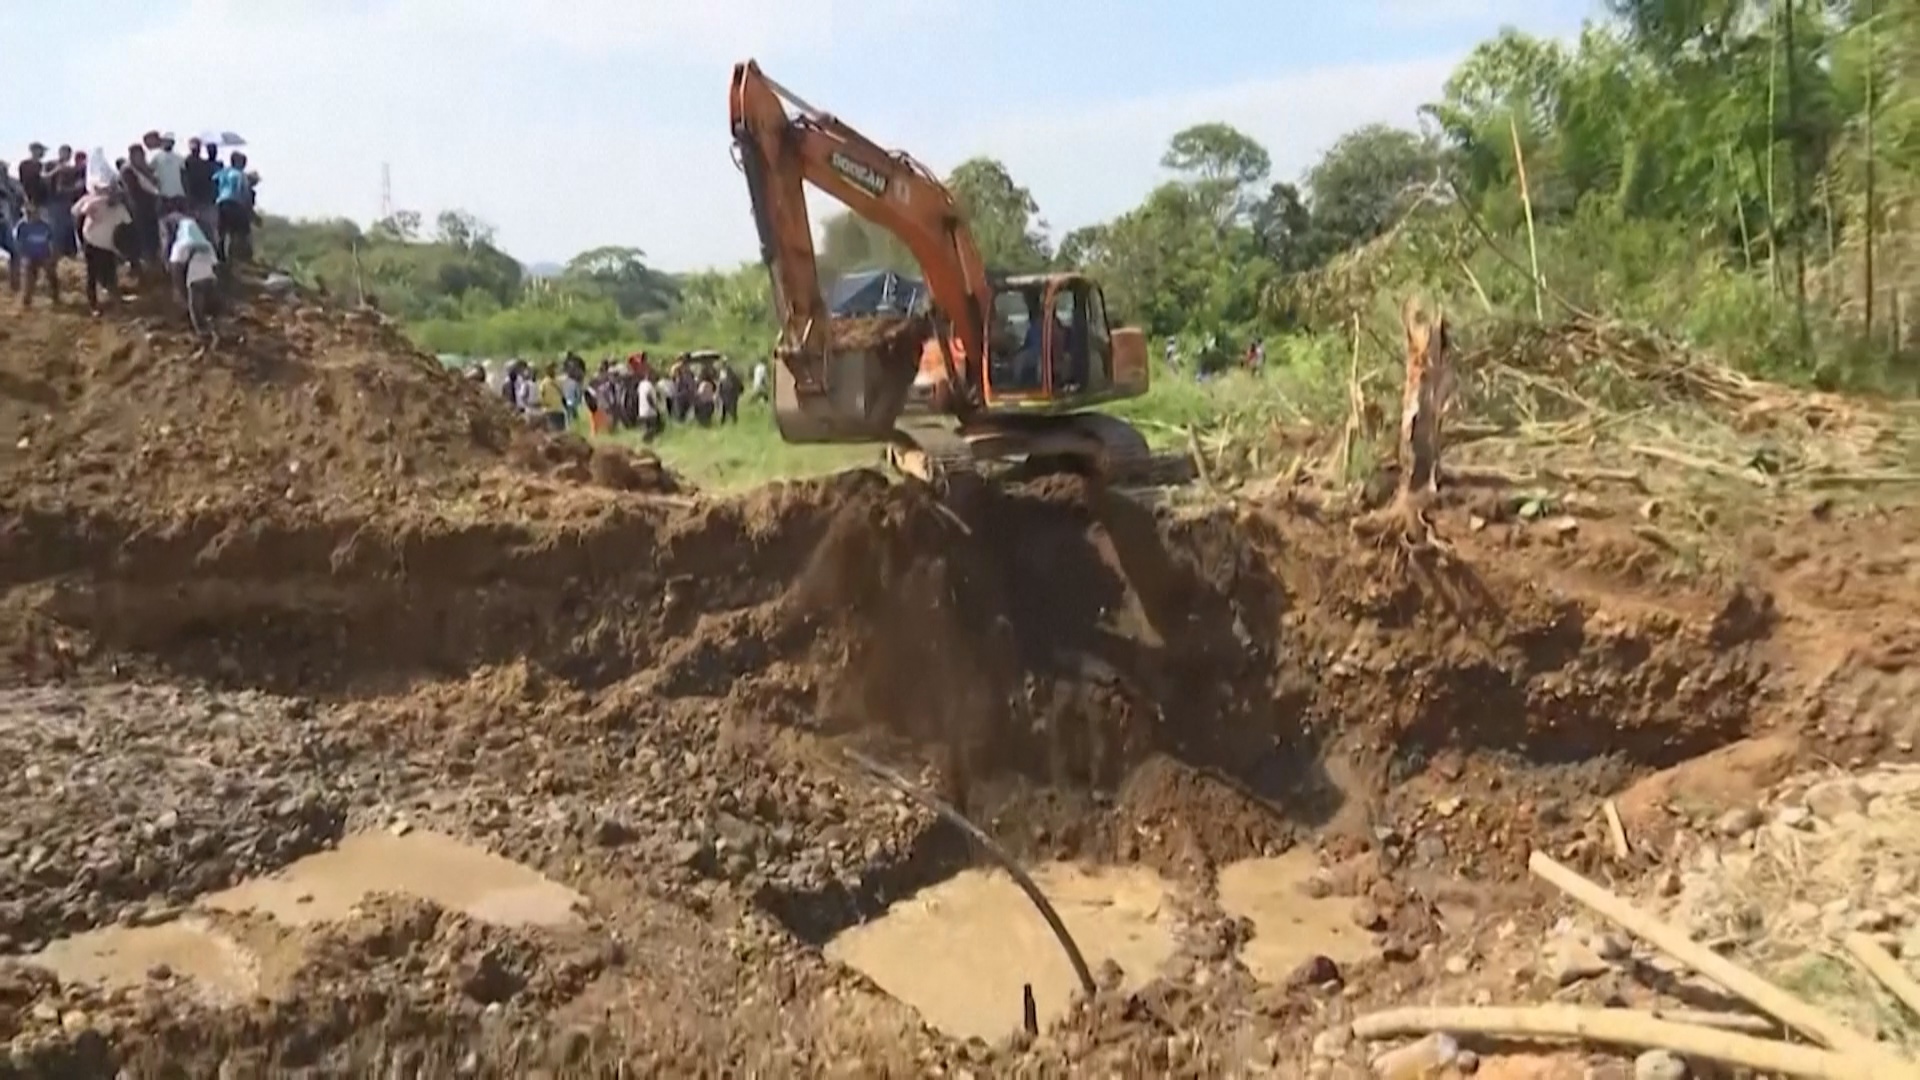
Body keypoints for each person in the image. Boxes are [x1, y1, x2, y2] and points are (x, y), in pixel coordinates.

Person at [74, 186, 131, 314]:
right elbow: (78, 212)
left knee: (110, 275)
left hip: (107, 246)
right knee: (92, 275)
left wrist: (122, 247)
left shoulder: (120, 209)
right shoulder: (97, 203)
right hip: (91, 242)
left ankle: (117, 303)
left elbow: (127, 226)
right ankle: (93, 306)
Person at [168, 217, 220, 336]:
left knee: (195, 308)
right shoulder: (207, 244)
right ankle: (212, 325)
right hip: (209, 278)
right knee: (205, 304)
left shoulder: (180, 245)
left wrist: (180, 290)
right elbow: (215, 265)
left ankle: (201, 332)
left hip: (195, 278)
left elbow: (176, 269)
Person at [12, 205, 58, 307]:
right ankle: (26, 302)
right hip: (29, 257)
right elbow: (17, 243)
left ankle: (55, 295)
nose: (29, 216)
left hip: (44, 255)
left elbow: (51, 241)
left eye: (31, 214)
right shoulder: (21, 226)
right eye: (27, 214)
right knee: (28, 282)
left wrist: (52, 255)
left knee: (51, 275)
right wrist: (22, 256)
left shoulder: (45, 226)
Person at [213, 152, 255, 264]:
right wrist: (250, 211)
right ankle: (236, 254)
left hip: (221, 202)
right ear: (239, 163)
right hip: (235, 203)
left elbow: (214, 181)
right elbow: (245, 193)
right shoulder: (240, 175)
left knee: (222, 230)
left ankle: (220, 254)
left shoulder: (223, 172)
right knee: (239, 230)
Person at [536, 364, 566, 432]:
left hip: (559, 410)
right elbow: (540, 396)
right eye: (551, 369)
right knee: (553, 432)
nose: (553, 371)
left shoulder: (558, 381)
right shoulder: (544, 383)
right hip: (549, 411)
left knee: (561, 432)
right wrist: (545, 404)